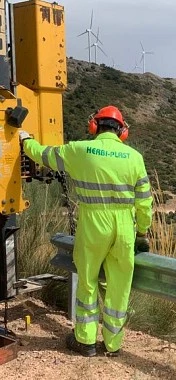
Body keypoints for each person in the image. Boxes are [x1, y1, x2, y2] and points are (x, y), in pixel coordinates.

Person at [19, 105, 153, 357]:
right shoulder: (134, 157)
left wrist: (26, 140)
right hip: (125, 226)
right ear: (122, 131)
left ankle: (85, 341)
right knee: (119, 286)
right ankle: (113, 345)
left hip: (93, 223)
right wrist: (142, 232)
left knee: (88, 282)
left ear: (94, 126)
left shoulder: (78, 150)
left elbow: (43, 155)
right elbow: (145, 201)